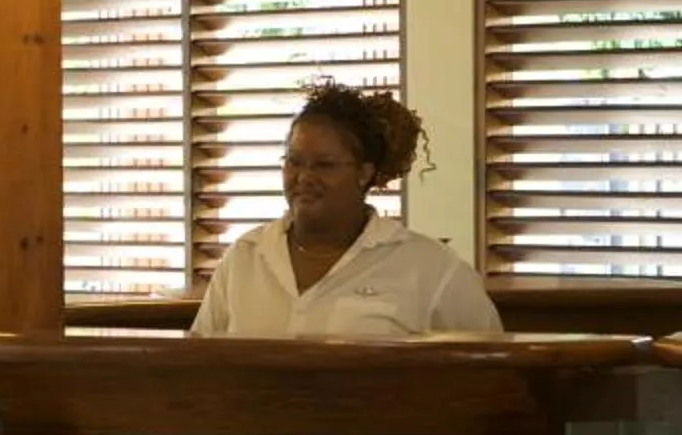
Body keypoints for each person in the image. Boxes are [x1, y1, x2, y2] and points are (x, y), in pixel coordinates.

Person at [191, 78, 503, 337]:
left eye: (324, 165)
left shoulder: (432, 269)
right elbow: (197, 365)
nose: (304, 178)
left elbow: (491, 372)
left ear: (365, 174)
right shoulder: (245, 257)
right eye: (294, 162)